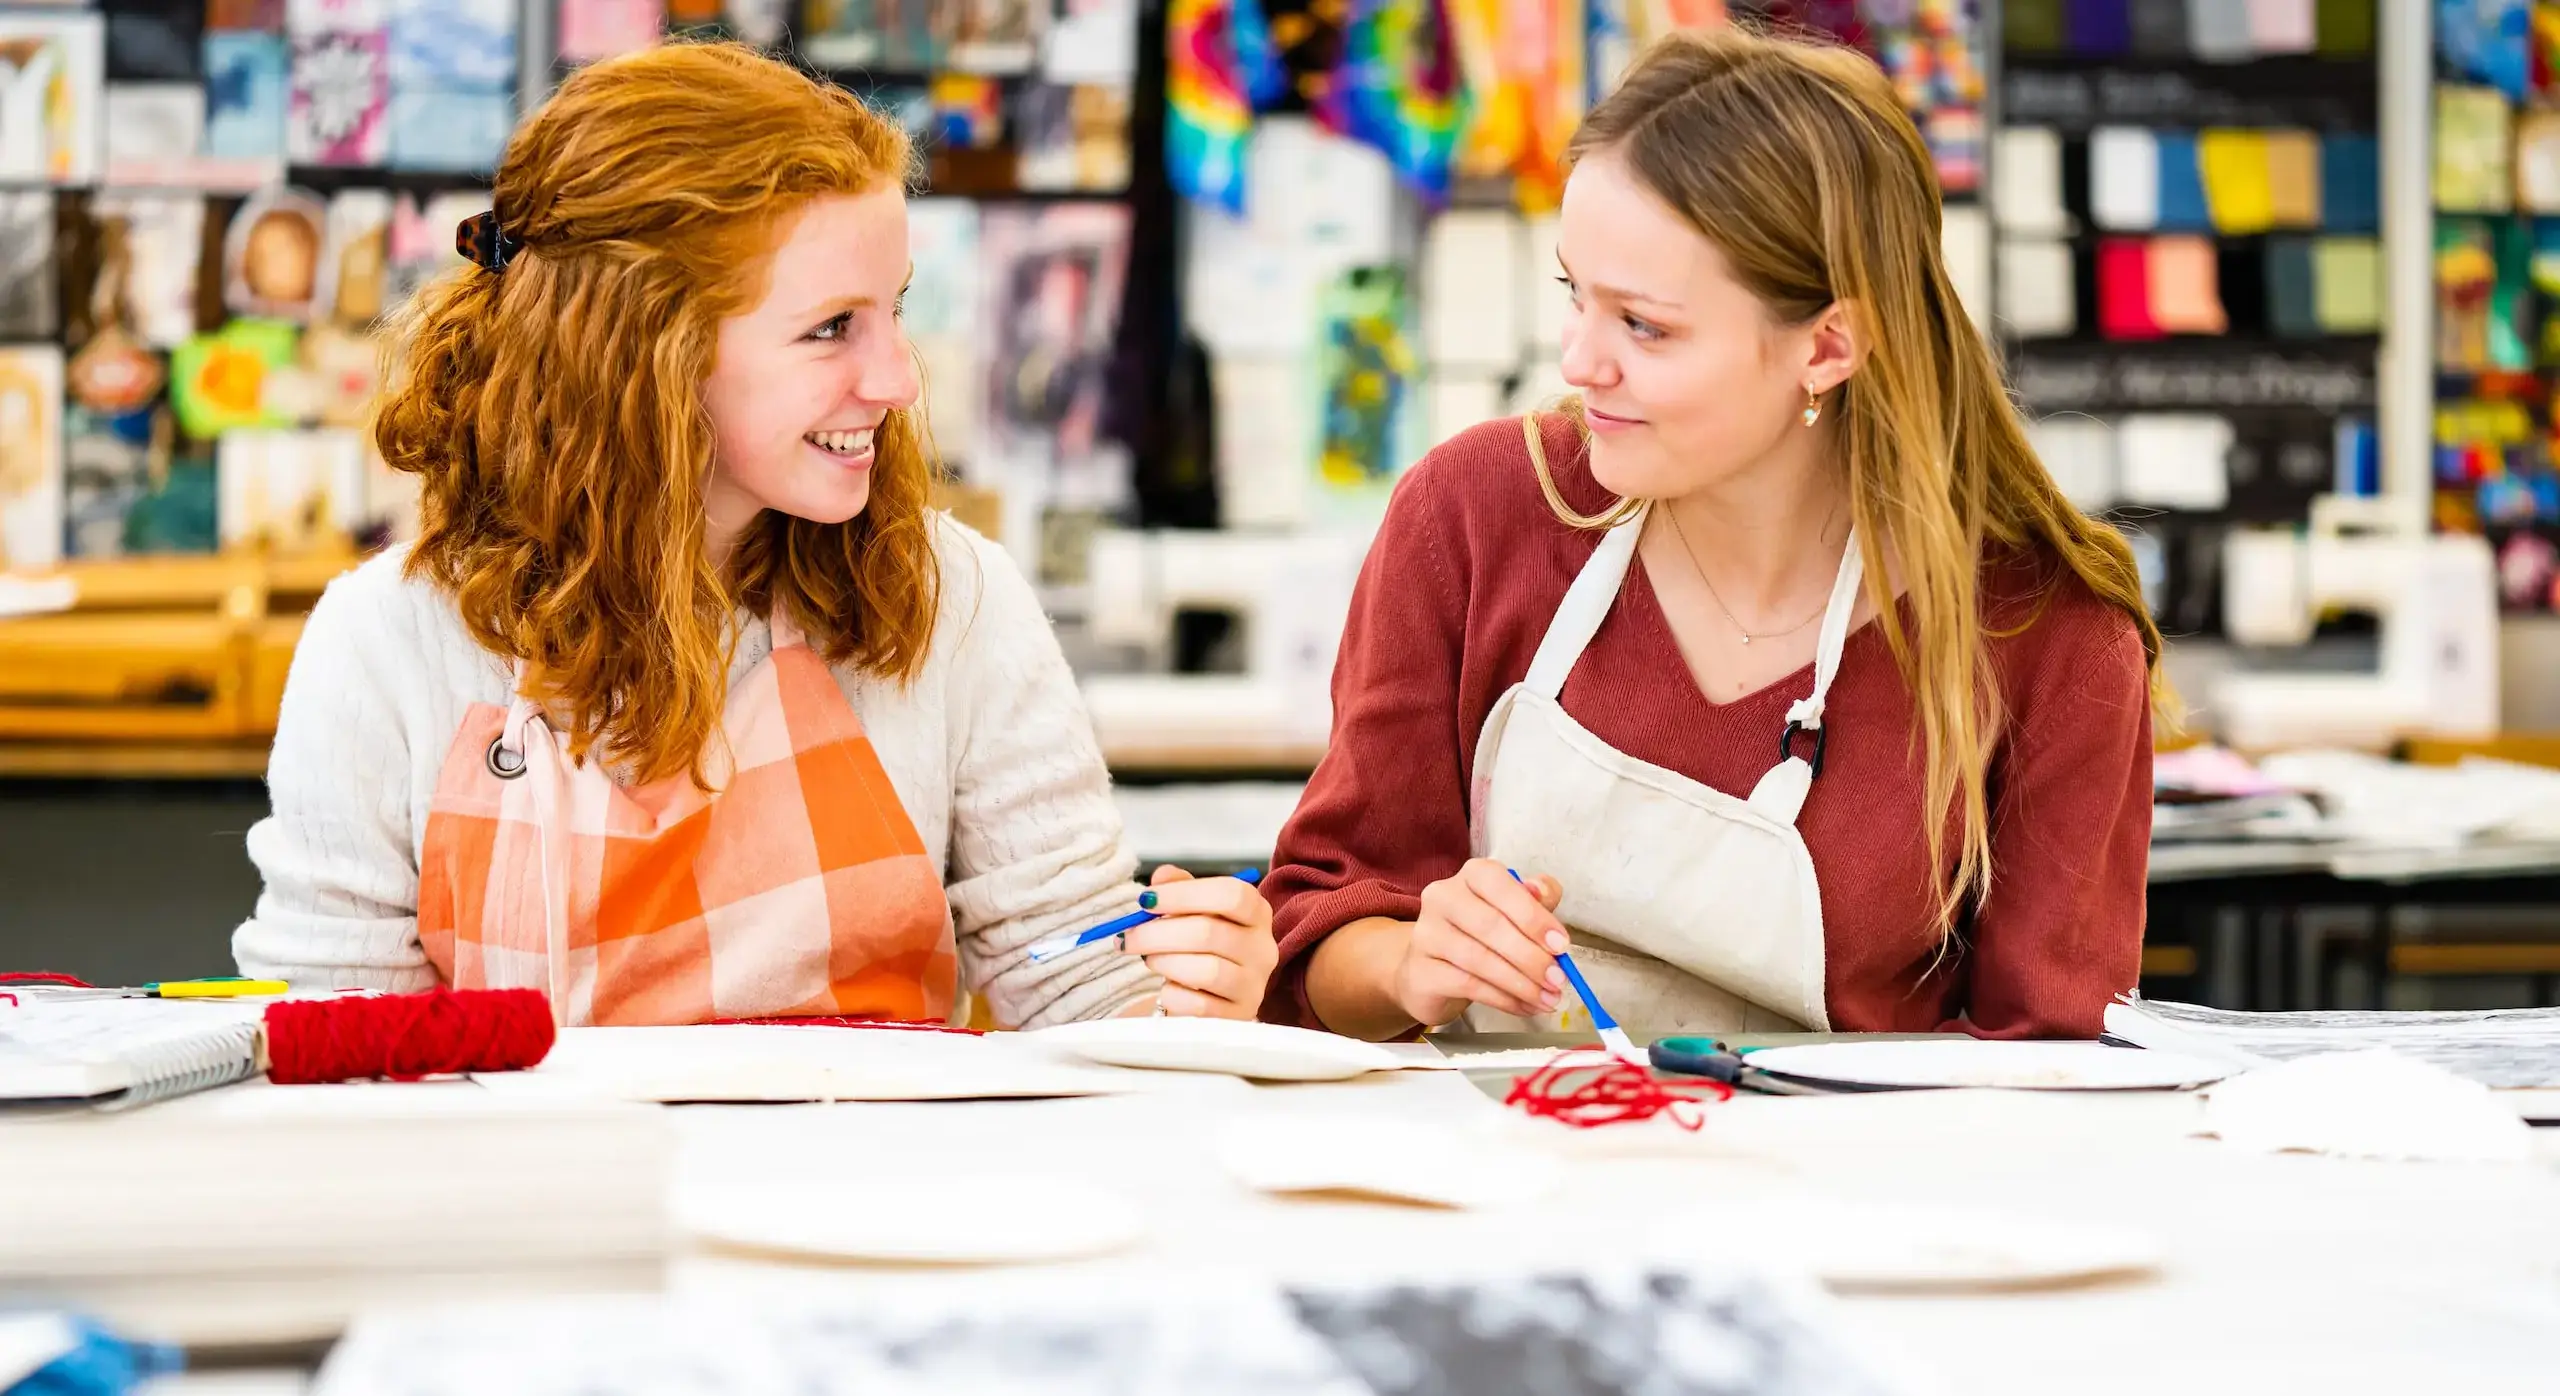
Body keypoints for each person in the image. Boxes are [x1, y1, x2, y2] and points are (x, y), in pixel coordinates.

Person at [233, 43, 1276, 1028]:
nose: (898, 379)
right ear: (641, 351)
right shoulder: (387, 642)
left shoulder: (957, 602)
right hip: (541, 1214)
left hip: (867, 1210)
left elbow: (1077, 980)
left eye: (894, 310)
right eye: (831, 328)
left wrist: (1191, 990)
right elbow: (339, 1051)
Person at [1260, 28, 2163, 1044]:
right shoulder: (1473, 516)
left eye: (1643, 325)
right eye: (1574, 295)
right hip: (1493, 1185)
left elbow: (2055, 1079)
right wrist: (1411, 960)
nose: (1580, 359)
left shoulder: (2045, 635)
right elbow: (1311, 939)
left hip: (1834, 1197)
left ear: (1826, 346)